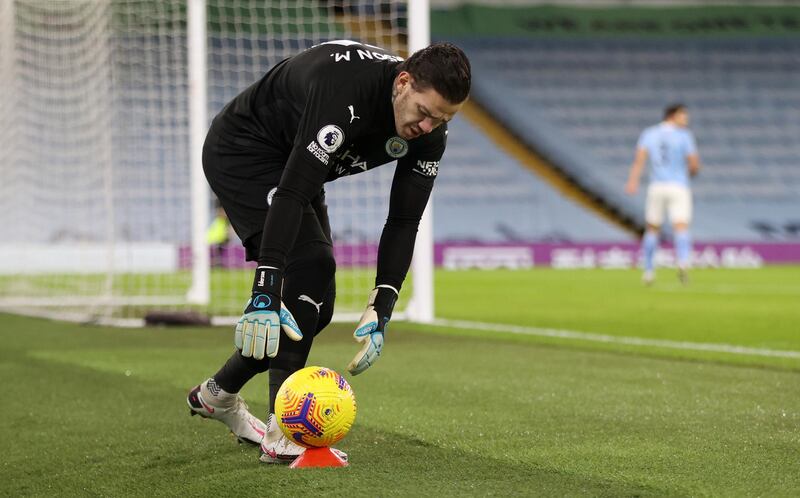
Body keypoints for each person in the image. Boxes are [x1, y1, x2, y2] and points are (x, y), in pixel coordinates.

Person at [187, 40, 471, 464]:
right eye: (424, 113)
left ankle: (218, 394)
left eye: (443, 119)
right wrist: (265, 289)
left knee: (317, 307)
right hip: (244, 152)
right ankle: (283, 434)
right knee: (310, 268)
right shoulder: (345, 91)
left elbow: (404, 220)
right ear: (404, 83)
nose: (428, 127)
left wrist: (385, 301)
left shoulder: (431, 131)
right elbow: (293, 191)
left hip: (293, 162)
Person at [625, 103, 701, 285]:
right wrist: (690, 173)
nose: (686, 120)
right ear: (672, 116)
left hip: (657, 187)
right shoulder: (685, 136)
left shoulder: (649, 134)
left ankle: (649, 271)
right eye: (683, 116)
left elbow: (639, 160)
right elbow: (694, 164)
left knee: (652, 229)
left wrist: (633, 181)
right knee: (681, 226)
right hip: (678, 186)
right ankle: (683, 262)